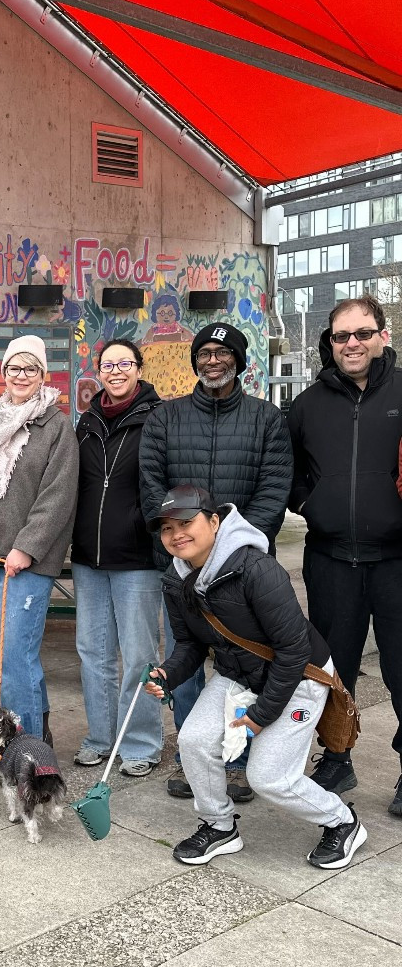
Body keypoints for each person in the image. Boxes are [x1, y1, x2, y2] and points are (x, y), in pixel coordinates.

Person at [145, 485, 367, 870]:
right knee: (195, 740)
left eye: (185, 522)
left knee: (269, 777)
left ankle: (342, 822)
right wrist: (167, 674)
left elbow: (294, 651)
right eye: (165, 528)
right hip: (240, 673)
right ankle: (219, 826)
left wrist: (261, 716)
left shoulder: (256, 568)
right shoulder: (175, 579)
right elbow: (189, 645)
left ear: (214, 521)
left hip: (301, 677)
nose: (175, 534)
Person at [140, 321, 292, 802]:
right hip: (183, 565)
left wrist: (240, 548)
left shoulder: (267, 419)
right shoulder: (165, 418)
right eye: (204, 352)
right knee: (187, 660)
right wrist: (180, 541)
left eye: (222, 353)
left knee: (247, 665)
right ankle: (194, 759)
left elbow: (273, 487)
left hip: (239, 570)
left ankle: (241, 759)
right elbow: (151, 483)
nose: (212, 360)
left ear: (240, 362)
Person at [288, 294, 402, 816]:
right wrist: (312, 502)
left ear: (382, 335)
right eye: (341, 336)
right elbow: (286, 470)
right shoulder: (308, 405)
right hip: (331, 557)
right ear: (329, 343)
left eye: (362, 333)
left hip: (397, 559)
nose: (352, 343)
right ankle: (337, 755)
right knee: (334, 668)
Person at [0, 336, 78, 743]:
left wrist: (26, 548)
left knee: (14, 660)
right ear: (3, 374)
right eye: (13, 368)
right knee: (6, 658)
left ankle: (24, 751)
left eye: (30, 368)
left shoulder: (56, 426)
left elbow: (58, 496)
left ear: (43, 375)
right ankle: (38, 733)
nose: (21, 376)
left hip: (28, 562)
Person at [71, 340, 164, 776]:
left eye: (125, 363)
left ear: (138, 369)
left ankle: (141, 744)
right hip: (90, 558)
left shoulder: (158, 418)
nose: (116, 371)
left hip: (138, 559)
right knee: (93, 652)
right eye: (108, 365)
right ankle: (101, 738)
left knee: (140, 655)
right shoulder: (85, 422)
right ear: (99, 372)